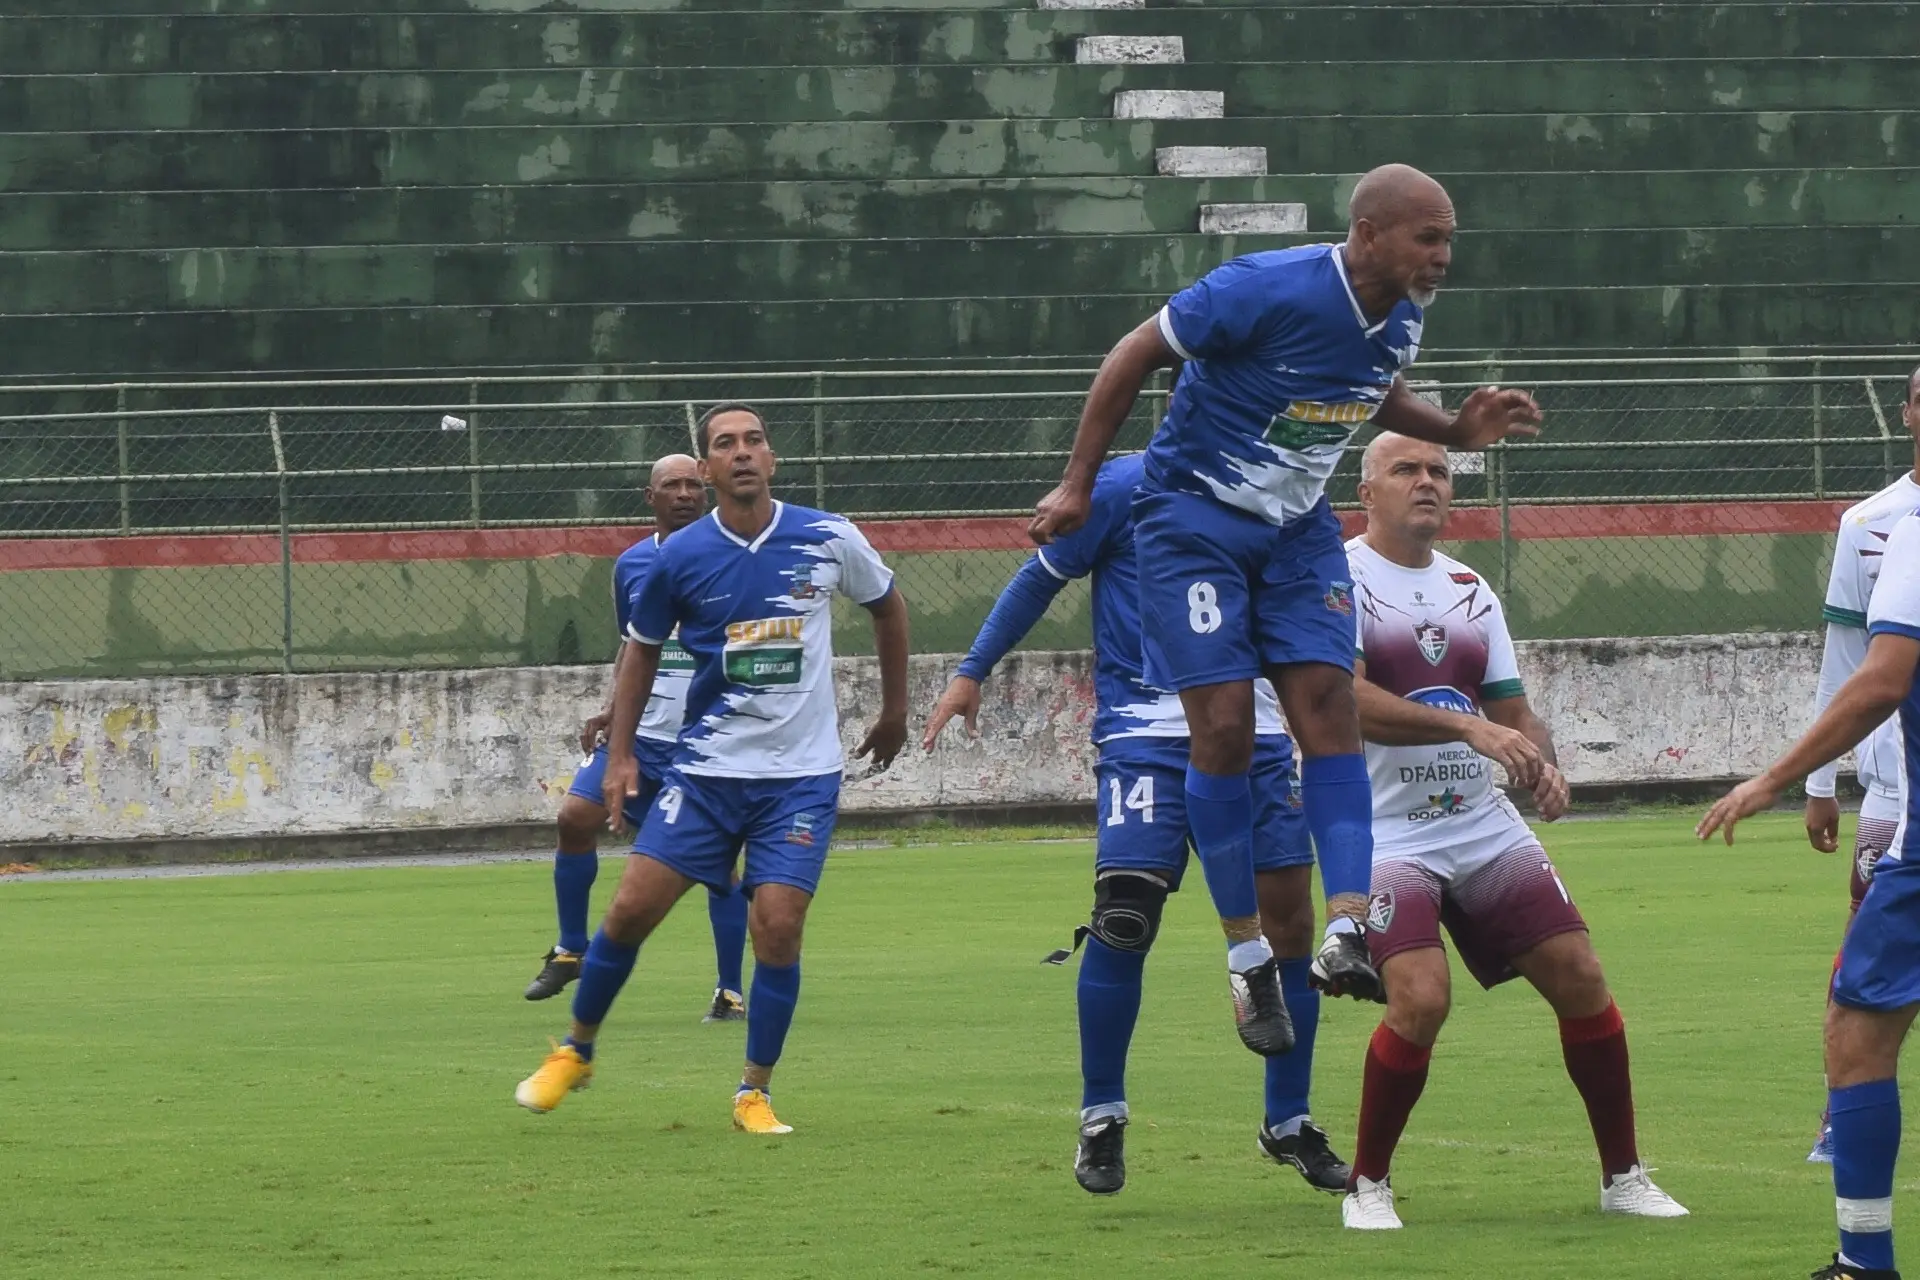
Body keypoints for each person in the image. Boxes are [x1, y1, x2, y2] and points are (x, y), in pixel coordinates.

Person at [1028, 164, 1543, 1049]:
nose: (1443, 256)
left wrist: (1454, 430)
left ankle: (1347, 931)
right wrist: (1078, 485)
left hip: (1295, 531)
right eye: (1429, 237)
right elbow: (1133, 353)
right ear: (1370, 233)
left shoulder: (1406, 310)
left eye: (1449, 239)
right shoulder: (1262, 287)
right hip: (1194, 517)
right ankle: (1246, 957)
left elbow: (1373, 387)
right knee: (1224, 728)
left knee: (1327, 709)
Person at [924, 452, 1349, 1197]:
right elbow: (1041, 576)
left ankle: (1288, 1122)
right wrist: (972, 670)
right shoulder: (1126, 484)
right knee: (1124, 916)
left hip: (1258, 731)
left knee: (1290, 926)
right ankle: (1101, 1114)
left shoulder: (1288, 486)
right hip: (1143, 731)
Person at [514, 404, 911, 1135]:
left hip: (799, 779)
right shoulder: (679, 557)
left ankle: (753, 1092)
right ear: (706, 468)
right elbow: (640, 648)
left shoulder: (827, 535)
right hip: (705, 774)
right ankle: (576, 1050)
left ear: (773, 457)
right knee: (630, 912)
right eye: (725, 444)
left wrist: (894, 712)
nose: (742, 453)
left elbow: (889, 607)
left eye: (754, 440)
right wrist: (622, 752)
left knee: (780, 928)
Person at [1339, 433, 1686, 1230]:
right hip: (1385, 832)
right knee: (1422, 1001)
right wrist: (1469, 734)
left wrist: (1542, 764)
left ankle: (1624, 1176)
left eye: (1438, 471)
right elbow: (1342, 702)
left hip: (1482, 825)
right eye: (1407, 470)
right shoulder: (1337, 580)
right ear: (1368, 492)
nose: (1428, 482)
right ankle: (1368, 1185)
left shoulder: (1471, 588)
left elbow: (1513, 711)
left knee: (1581, 976)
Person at [1700, 510, 1920, 1280]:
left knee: (1858, 1032)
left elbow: (1881, 679)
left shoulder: (1913, 534)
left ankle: (1864, 1261)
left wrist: (1775, 778)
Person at [524, 454, 752, 1024]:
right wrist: (610, 710)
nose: (683, 494)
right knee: (574, 817)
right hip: (643, 735)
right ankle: (572, 948)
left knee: (718, 868)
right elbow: (636, 644)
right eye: (669, 486)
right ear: (648, 498)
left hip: (701, 740)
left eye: (690, 484)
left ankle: (729, 991)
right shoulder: (630, 565)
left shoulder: (733, 556)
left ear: (706, 489)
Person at [1803, 366, 1920, 1163]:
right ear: (1908, 410)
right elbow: (1848, 660)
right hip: (1893, 785)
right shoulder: (1873, 523)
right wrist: (1818, 783)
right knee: (1867, 955)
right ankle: (1839, 1114)